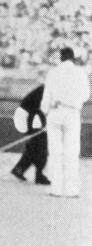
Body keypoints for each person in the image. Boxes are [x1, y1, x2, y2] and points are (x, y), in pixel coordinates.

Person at [40, 47, 90, 197]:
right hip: (72, 112)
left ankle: (56, 188)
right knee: (72, 152)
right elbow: (86, 94)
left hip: (55, 111)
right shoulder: (80, 72)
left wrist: (46, 110)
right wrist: (75, 101)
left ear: (61, 58)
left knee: (55, 152)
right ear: (73, 58)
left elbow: (46, 96)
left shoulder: (53, 72)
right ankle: (71, 189)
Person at [11, 85, 51, 185]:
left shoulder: (49, 87)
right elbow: (44, 108)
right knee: (41, 146)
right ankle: (39, 175)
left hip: (29, 114)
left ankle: (20, 169)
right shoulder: (51, 89)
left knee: (35, 147)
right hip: (31, 115)